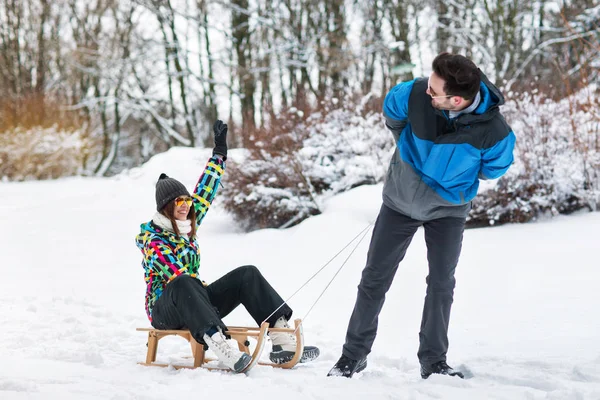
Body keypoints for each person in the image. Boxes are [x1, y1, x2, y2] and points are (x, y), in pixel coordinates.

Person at [328, 53, 516, 379]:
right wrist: (409, 157)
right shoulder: (415, 93)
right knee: (374, 279)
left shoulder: (494, 132)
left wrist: (453, 176)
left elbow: (493, 168)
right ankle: (352, 356)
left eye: (435, 91)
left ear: (456, 100)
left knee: (441, 284)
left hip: (448, 210)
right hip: (399, 201)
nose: (426, 91)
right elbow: (392, 113)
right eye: (429, 84)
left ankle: (434, 361)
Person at [135, 120, 319, 373]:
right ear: (166, 207)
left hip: (196, 302)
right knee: (184, 281)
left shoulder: (186, 221)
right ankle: (219, 343)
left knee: (247, 274)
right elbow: (174, 273)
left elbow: (205, 191)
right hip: (165, 309)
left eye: (186, 200)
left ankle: (281, 338)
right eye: (178, 201)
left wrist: (219, 153)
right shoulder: (153, 239)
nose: (185, 205)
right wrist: (203, 298)